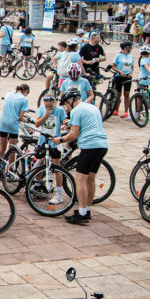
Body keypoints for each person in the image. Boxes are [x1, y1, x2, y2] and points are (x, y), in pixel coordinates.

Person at [54, 89, 108, 225]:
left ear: (70, 101)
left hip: (90, 146)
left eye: (65, 105)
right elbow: (89, 125)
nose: (66, 108)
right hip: (102, 145)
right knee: (90, 179)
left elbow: (73, 136)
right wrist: (71, 125)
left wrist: (60, 139)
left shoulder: (76, 111)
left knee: (80, 179)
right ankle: (87, 209)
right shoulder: (91, 107)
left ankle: (82, 213)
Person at [34, 94, 67, 205]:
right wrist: (46, 115)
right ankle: (37, 184)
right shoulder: (41, 110)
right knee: (40, 163)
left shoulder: (60, 110)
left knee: (57, 167)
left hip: (55, 143)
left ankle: (58, 194)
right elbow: (37, 124)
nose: (49, 107)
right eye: (47, 105)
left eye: (51, 105)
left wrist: (64, 126)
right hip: (43, 141)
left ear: (55, 103)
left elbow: (64, 122)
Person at [0, 85, 29, 162]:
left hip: (3, 123)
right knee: (12, 149)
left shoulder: (8, 94)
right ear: (26, 91)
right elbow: (20, 118)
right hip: (13, 124)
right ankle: (10, 168)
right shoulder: (24, 100)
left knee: (2, 147)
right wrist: (25, 119)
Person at [107, 41, 135, 118]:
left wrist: (131, 73)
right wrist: (120, 72)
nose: (131, 48)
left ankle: (126, 111)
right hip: (119, 77)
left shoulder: (130, 57)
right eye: (130, 47)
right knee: (118, 95)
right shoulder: (118, 56)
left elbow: (132, 66)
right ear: (126, 47)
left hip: (127, 77)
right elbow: (113, 66)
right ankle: (116, 110)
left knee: (127, 94)